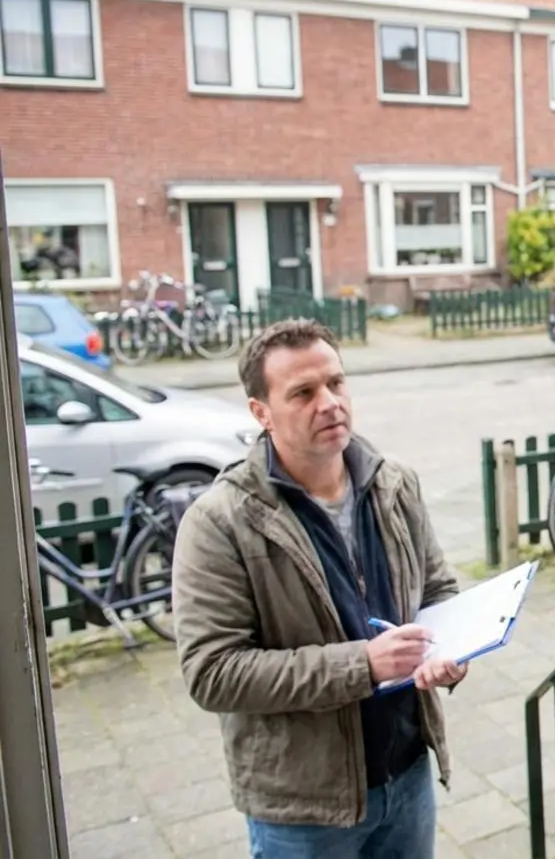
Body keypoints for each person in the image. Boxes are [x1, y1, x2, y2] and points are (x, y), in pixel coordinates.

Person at [172, 319, 467, 858]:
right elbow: (212, 674)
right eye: (303, 393)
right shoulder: (220, 521)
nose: (329, 403)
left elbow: (437, 589)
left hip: (408, 775)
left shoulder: (394, 483)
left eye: (336, 383)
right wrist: (365, 665)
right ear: (261, 413)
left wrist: (451, 649)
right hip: (303, 810)